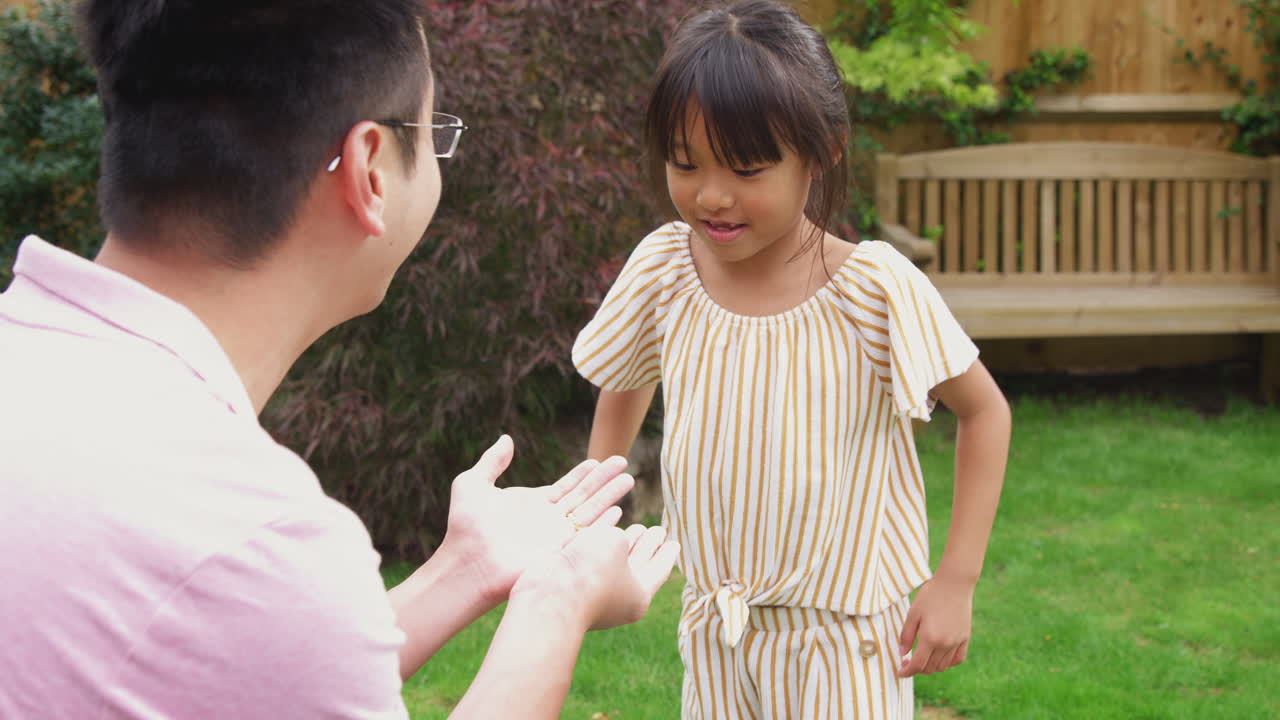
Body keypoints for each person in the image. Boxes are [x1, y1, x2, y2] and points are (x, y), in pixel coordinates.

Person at [0, 1, 679, 718]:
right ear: (371, 171)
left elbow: (231, 663)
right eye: (433, 133)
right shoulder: (253, 537)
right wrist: (559, 599)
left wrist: (464, 569)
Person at [571, 1, 1012, 717]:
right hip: (714, 636)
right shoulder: (664, 269)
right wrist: (595, 521)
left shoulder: (874, 290)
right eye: (686, 163)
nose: (711, 195)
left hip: (845, 646)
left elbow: (985, 410)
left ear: (824, 149)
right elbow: (625, 381)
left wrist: (956, 579)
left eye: (747, 168)